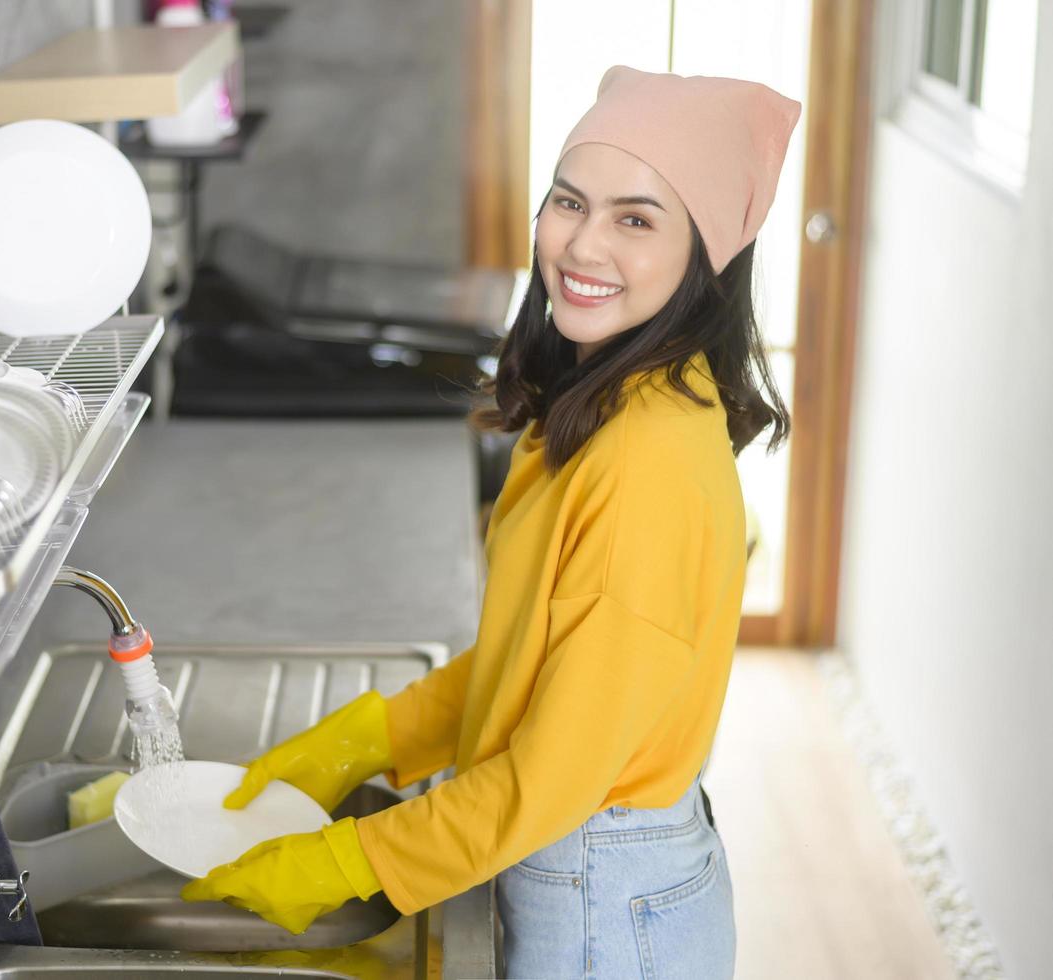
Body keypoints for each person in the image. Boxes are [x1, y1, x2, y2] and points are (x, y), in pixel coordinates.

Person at [180, 64, 802, 979]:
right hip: (588, 867)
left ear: (704, 255)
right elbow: (540, 655)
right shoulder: (617, 400)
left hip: (601, 899)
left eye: (635, 219)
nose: (581, 246)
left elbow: (552, 781)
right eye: (567, 201)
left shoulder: (647, 467)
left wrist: (351, 859)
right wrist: (367, 739)